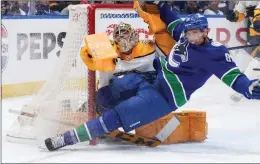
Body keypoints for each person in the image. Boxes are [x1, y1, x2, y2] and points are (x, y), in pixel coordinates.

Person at [44, 1, 260, 151]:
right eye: (189, 32)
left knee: (117, 115)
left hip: (164, 97)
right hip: (153, 78)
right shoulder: (183, 36)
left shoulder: (216, 54)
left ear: (205, 32)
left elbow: (233, 77)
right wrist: (162, 5)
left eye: (196, 32)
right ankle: (81, 118)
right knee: (106, 95)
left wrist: (248, 88)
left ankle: (67, 138)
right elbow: (173, 22)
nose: (191, 36)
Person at [225, 1, 260, 101]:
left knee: (256, 61)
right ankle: (243, 88)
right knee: (254, 60)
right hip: (256, 34)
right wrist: (234, 16)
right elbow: (241, 12)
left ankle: (242, 89)